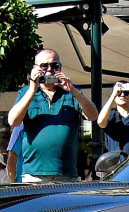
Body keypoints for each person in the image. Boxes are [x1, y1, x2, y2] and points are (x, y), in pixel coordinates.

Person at [6, 49, 98, 181]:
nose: (50, 70)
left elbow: (93, 115)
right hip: (35, 173)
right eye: (44, 66)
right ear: (35, 69)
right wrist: (32, 89)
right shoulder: (26, 92)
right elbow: (13, 121)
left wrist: (74, 91)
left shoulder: (72, 92)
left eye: (55, 65)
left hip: (67, 172)